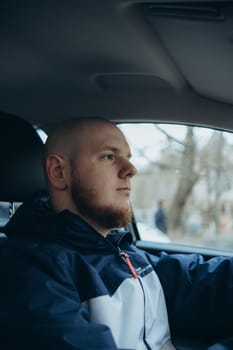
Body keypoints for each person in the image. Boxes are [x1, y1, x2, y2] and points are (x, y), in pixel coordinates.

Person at [0, 118, 233, 350]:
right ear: (59, 172)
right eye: (109, 157)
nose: (131, 170)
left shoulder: (119, 251)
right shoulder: (30, 272)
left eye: (128, 158)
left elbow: (199, 281)